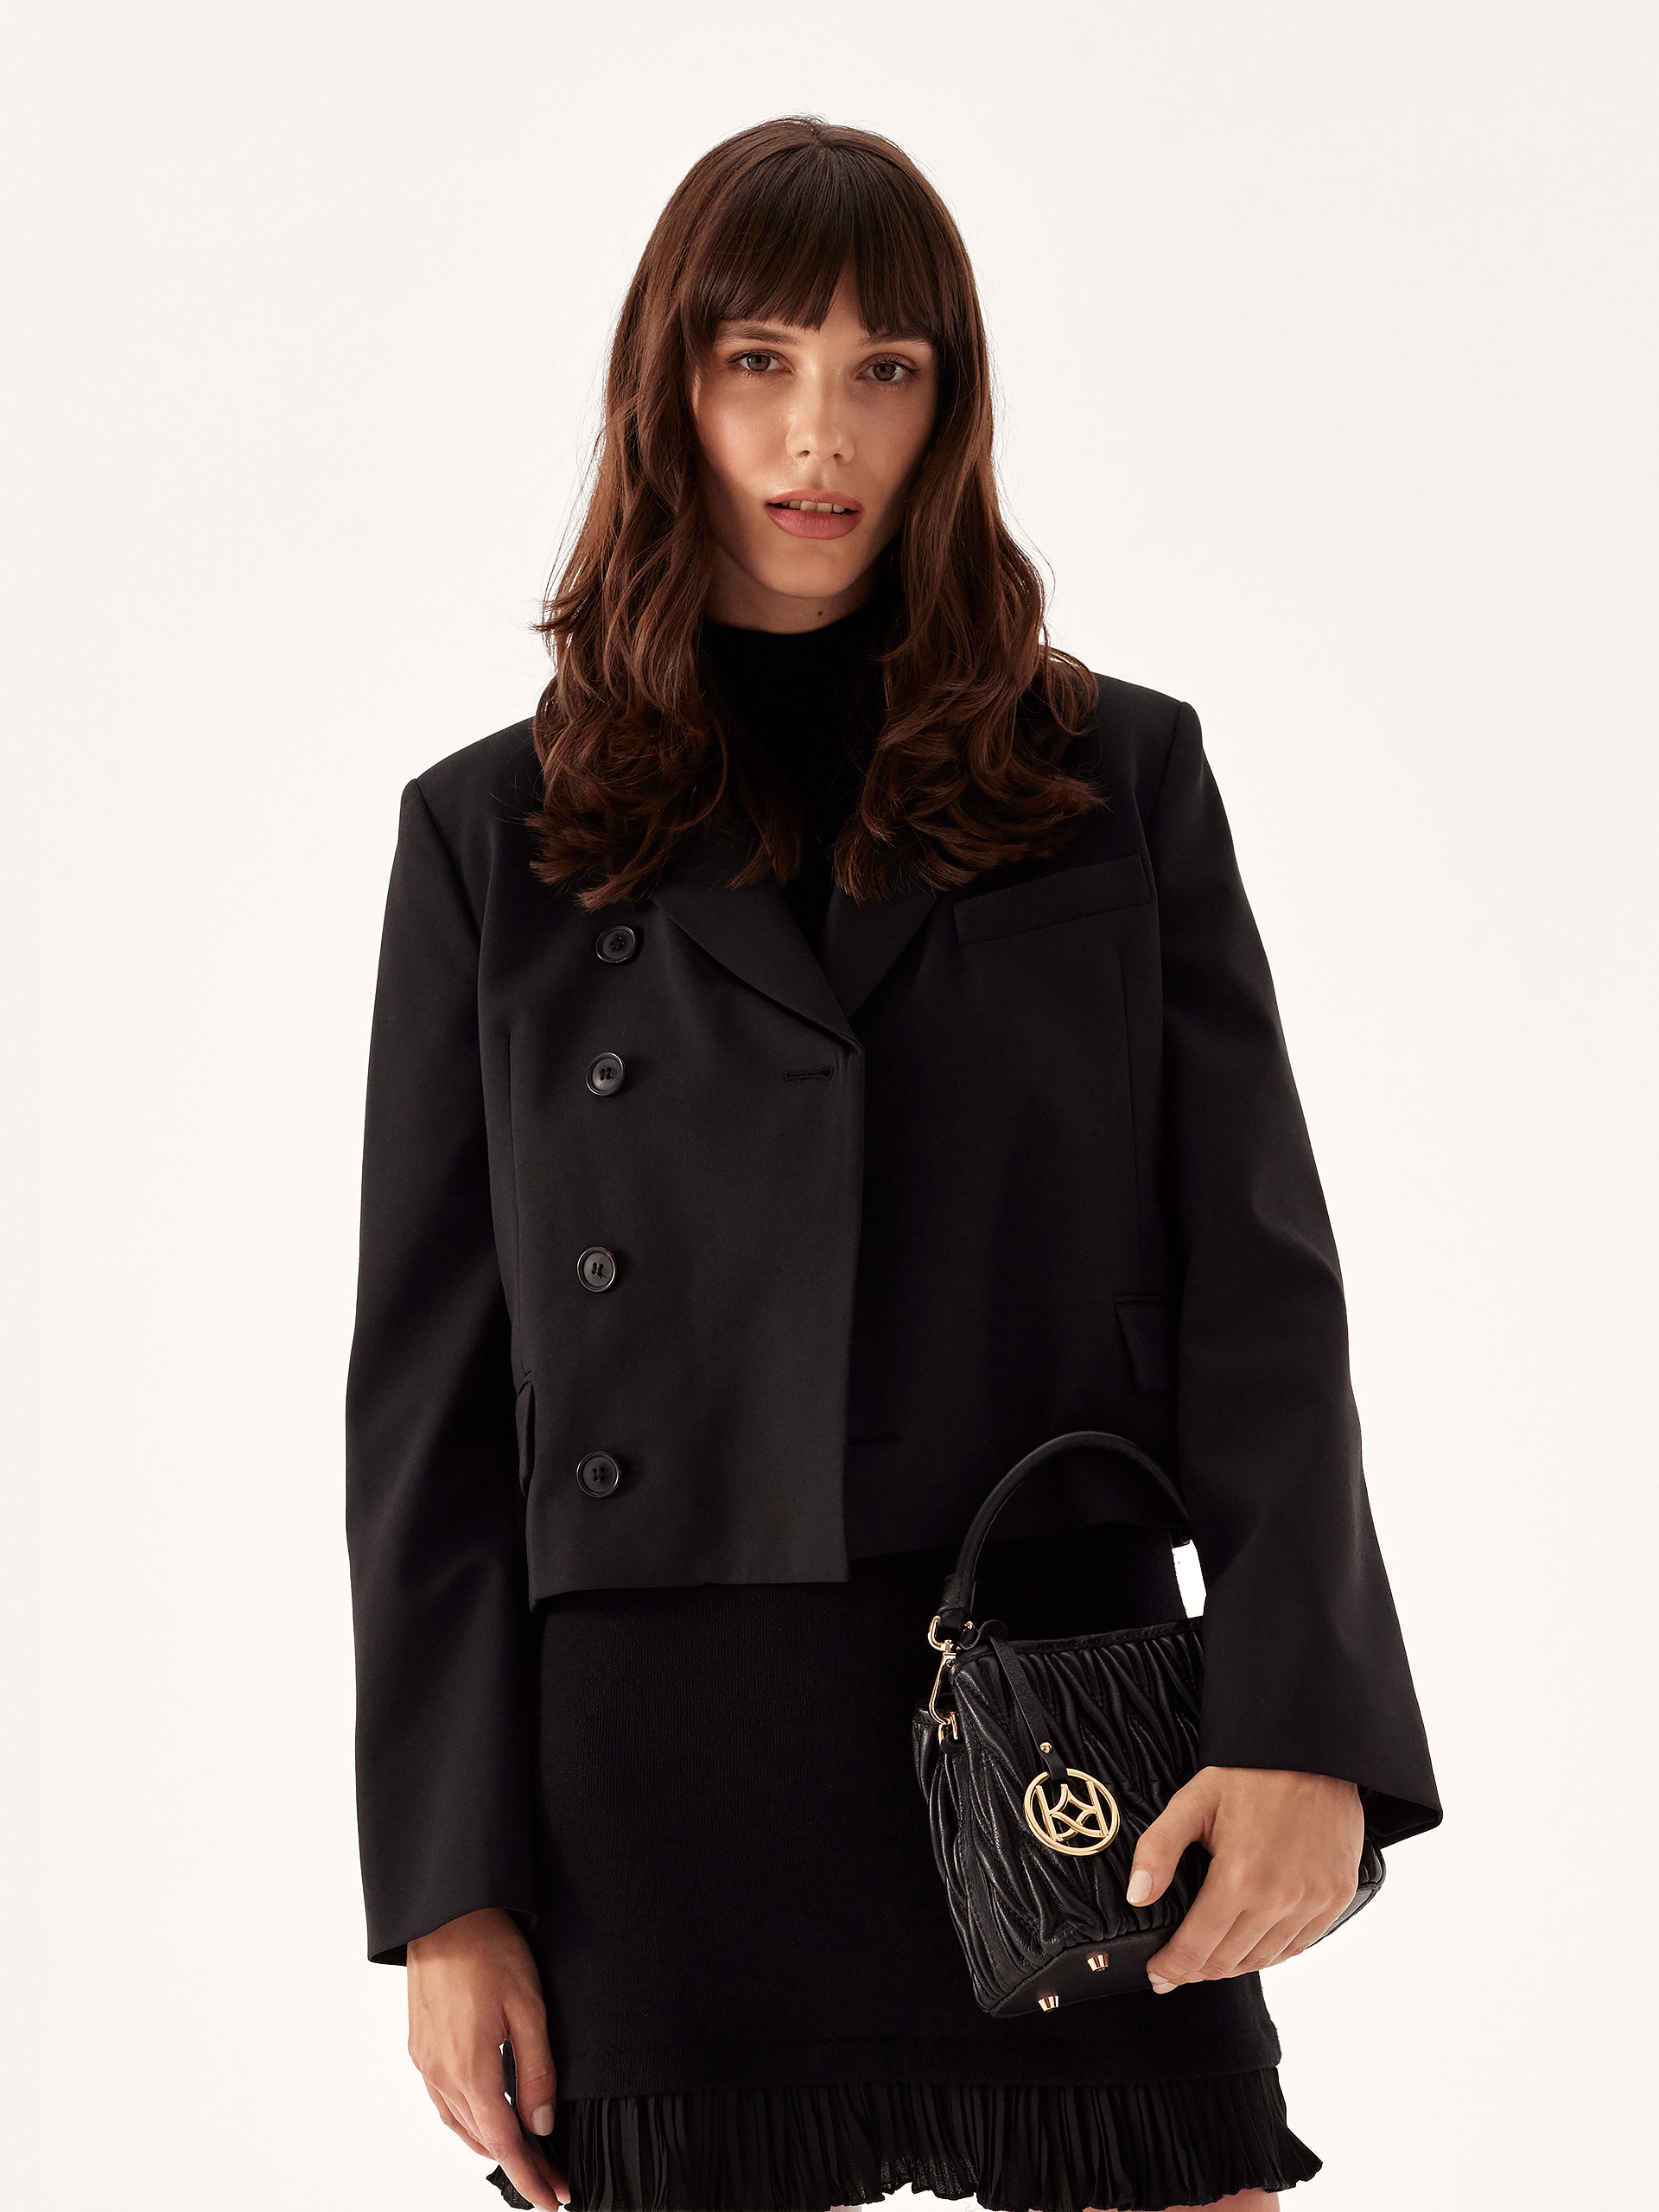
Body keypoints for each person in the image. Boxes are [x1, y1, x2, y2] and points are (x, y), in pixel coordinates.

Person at [345, 116, 1441, 2212]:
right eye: (757, 361)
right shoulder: (496, 834)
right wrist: (449, 1888)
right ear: (669, 388)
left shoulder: (1113, 773)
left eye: (885, 368)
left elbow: (1260, 1283)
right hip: (658, 1751)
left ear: (954, 402)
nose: (818, 435)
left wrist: (1306, 1717)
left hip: (1066, 1689)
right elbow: (427, 1401)